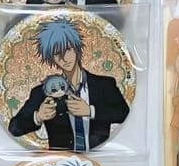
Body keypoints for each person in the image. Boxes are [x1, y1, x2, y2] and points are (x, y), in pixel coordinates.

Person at [8, 18, 129, 151]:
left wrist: (90, 111)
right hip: (59, 159)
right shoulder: (43, 92)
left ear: (77, 48)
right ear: (51, 58)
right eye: (56, 54)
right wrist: (38, 116)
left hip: (102, 155)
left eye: (68, 50)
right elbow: (14, 128)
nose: (64, 58)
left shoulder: (104, 85)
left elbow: (123, 113)